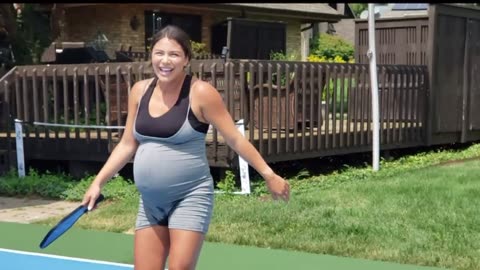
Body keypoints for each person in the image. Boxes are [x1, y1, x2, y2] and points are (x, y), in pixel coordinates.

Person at [82, 25, 290, 270]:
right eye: (159, 53)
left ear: (186, 60)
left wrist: (268, 174)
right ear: (151, 56)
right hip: (150, 202)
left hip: (190, 197)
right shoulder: (139, 91)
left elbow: (234, 138)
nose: (165, 60)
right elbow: (128, 144)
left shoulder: (200, 93)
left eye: (174, 54)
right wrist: (98, 183)